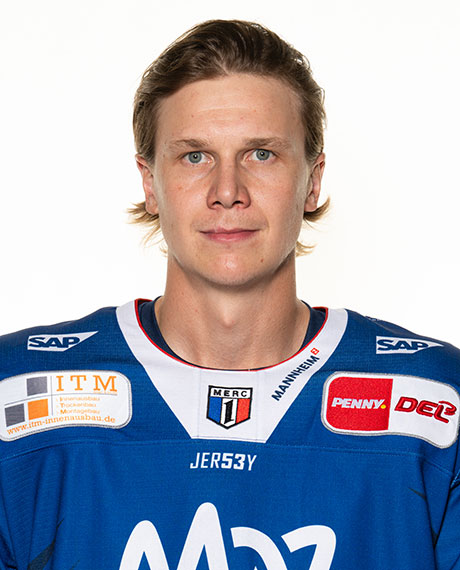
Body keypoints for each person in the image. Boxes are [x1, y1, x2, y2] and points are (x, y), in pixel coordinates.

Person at [0, 19, 459, 570]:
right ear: (150, 183)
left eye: (261, 154)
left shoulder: (435, 402)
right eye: (195, 156)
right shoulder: (19, 395)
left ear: (312, 181)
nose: (227, 192)